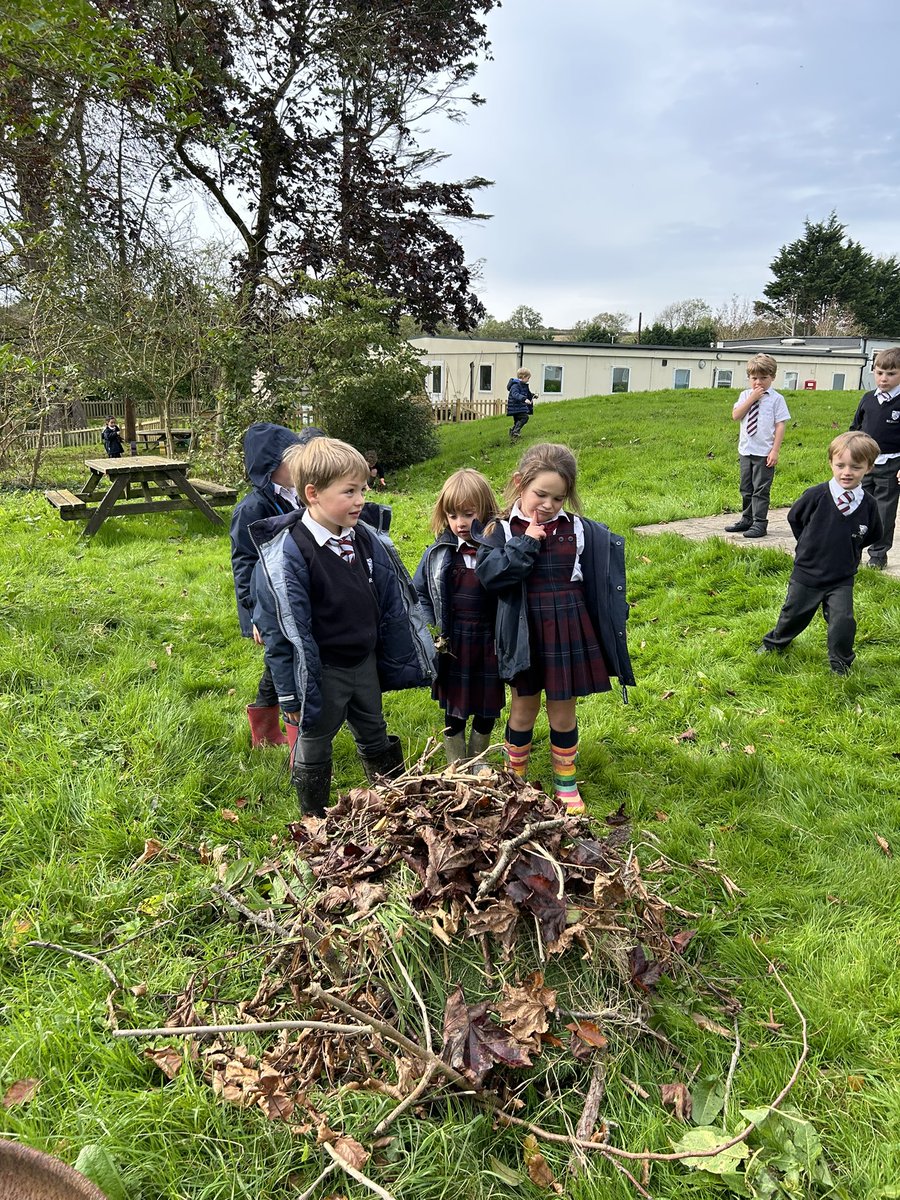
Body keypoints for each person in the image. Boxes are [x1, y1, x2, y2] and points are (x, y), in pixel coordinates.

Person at [251, 437, 435, 817]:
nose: (360, 500)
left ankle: (393, 803)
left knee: (374, 729)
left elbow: (390, 600)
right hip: (322, 671)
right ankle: (313, 817)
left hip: (363, 662)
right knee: (315, 738)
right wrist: (288, 697)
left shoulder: (366, 538)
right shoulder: (289, 555)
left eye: (363, 489)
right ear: (313, 493)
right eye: (349, 491)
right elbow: (280, 638)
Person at [475, 443, 635, 815]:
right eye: (540, 494)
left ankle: (565, 781)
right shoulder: (500, 529)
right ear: (519, 484)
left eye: (558, 498)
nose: (547, 505)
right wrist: (527, 540)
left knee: (563, 711)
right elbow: (493, 576)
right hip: (524, 632)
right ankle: (514, 780)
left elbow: (598, 580)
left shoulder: (578, 530)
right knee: (523, 708)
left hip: (566, 627)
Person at [758, 432, 882, 675]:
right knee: (793, 614)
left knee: (843, 621)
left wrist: (850, 547)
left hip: (841, 577)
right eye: (840, 465)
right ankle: (775, 644)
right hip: (808, 572)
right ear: (831, 464)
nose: (847, 472)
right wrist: (808, 544)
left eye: (856, 467)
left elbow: (873, 533)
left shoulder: (868, 504)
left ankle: (840, 663)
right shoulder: (816, 496)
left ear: (868, 468)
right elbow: (796, 519)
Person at [230, 422, 318, 747]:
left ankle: (266, 728)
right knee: (283, 662)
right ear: (272, 465)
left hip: (294, 593)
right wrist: (254, 614)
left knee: (286, 659)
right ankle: (286, 734)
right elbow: (244, 563)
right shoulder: (252, 509)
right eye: (292, 459)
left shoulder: (298, 495)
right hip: (268, 603)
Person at [414, 468, 503, 770]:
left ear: (486, 509)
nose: (460, 523)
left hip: (489, 640)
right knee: (455, 705)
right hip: (453, 642)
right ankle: (456, 762)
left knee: (487, 704)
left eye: (468, 513)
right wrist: (431, 629)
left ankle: (479, 758)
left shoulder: (497, 549)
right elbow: (420, 593)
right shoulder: (439, 553)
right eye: (453, 515)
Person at [725, 354, 790, 539]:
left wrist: (775, 450)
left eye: (764, 378)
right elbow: (736, 415)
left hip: (764, 452)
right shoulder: (745, 395)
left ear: (773, 378)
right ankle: (747, 519)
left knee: (761, 489)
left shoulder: (777, 399)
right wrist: (752, 398)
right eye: (754, 378)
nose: (758, 382)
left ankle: (760, 523)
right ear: (749, 378)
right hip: (746, 450)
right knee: (746, 488)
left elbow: (780, 425)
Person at [848, 346, 900, 569]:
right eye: (879, 373)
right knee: (859, 506)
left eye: (891, 374)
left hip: (891, 464)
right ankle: (853, 550)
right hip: (864, 465)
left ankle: (878, 554)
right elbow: (855, 429)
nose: (884, 378)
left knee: (884, 511)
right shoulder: (868, 399)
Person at [506, 369, 536, 439]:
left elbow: (527, 394)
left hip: (519, 407)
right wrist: (524, 399)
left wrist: (533, 395)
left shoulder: (523, 385)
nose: (528, 380)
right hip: (515, 407)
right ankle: (515, 432)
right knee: (525, 417)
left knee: (517, 421)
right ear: (523, 377)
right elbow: (515, 394)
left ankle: (513, 433)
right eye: (528, 378)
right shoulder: (515, 385)